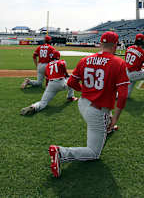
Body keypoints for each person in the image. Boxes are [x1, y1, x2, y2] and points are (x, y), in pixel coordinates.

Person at [48, 31, 130, 178]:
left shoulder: (85, 60)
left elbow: (71, 83)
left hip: (83, 103)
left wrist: (86, 90)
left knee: (100, 120)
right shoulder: (119, 62)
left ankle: (107, 127)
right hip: (97, 110)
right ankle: (61, 153)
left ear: (100, 44)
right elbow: (123, 95)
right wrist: (116, 117)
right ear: (116, 46)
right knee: (93, 153)